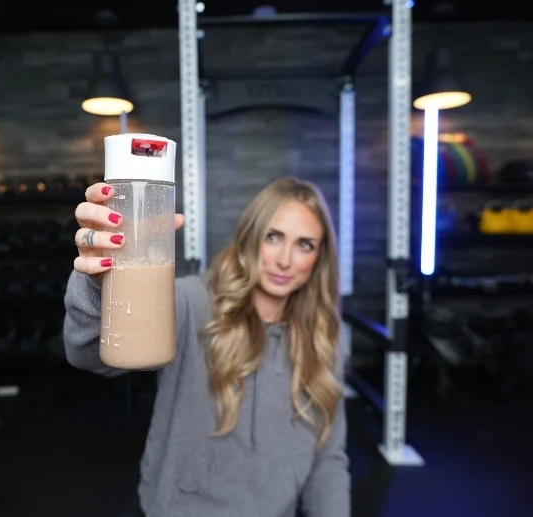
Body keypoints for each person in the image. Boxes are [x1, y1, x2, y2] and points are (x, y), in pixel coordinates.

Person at [63, 177, 350, 517]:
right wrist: (100, 285)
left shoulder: (325, 336)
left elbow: (328, 456)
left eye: (305, 245)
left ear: (319, 257)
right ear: (250, 237)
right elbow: (87, 354)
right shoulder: (190, 303)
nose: (285, 260)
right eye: (273, 237)